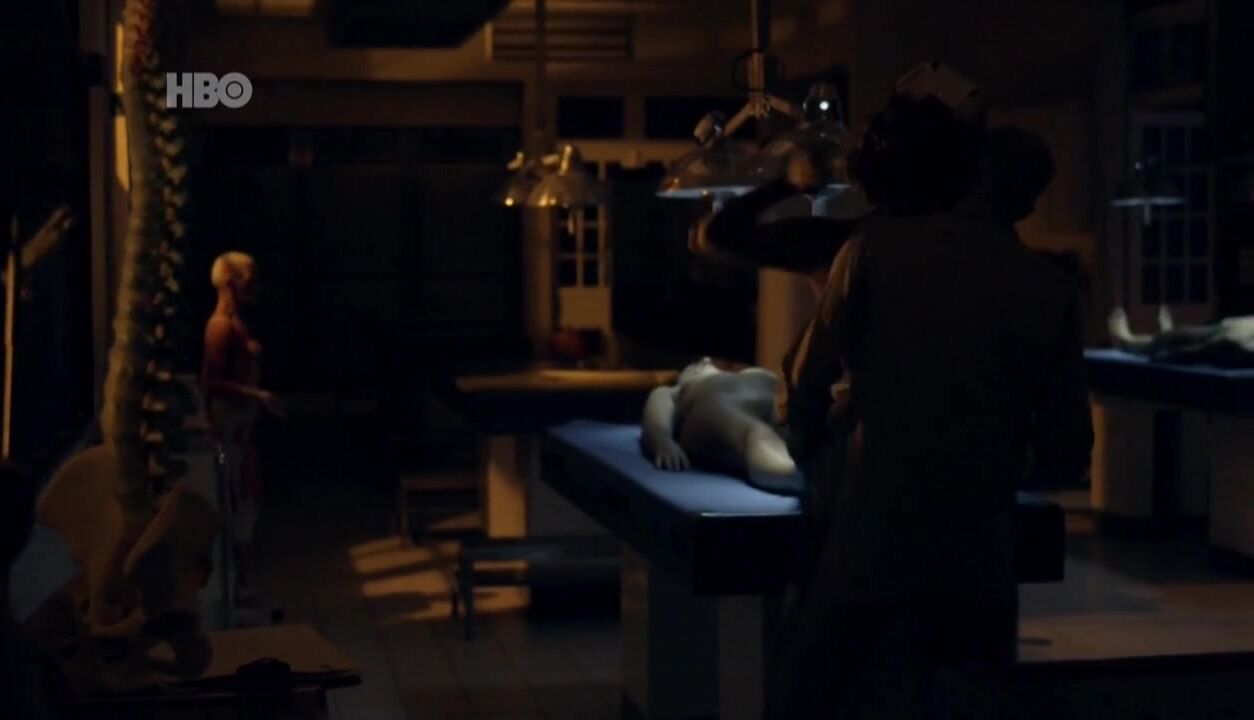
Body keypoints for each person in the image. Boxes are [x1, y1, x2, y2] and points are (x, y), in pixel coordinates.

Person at [763, 109, 1093, 717]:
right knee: (972, 699)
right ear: (1028, 203)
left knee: (808, 691)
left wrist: (812, 446)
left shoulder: (876, 249)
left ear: (966, 175)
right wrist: (997, 463)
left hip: (870, 527)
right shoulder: (1048, 291)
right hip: (977, 548)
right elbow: (1068, 447)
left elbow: (805, 377)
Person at [201, 251, 286, 609]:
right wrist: (256, 394)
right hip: (230, 425)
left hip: (241, 425)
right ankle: (237, 586)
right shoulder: (220, 327)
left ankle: (241, 583)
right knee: (239, 500)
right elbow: (211, 382)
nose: (254, 284)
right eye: (248, 277)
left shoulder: (235, 323)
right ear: (230, 282)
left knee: (247, 497)